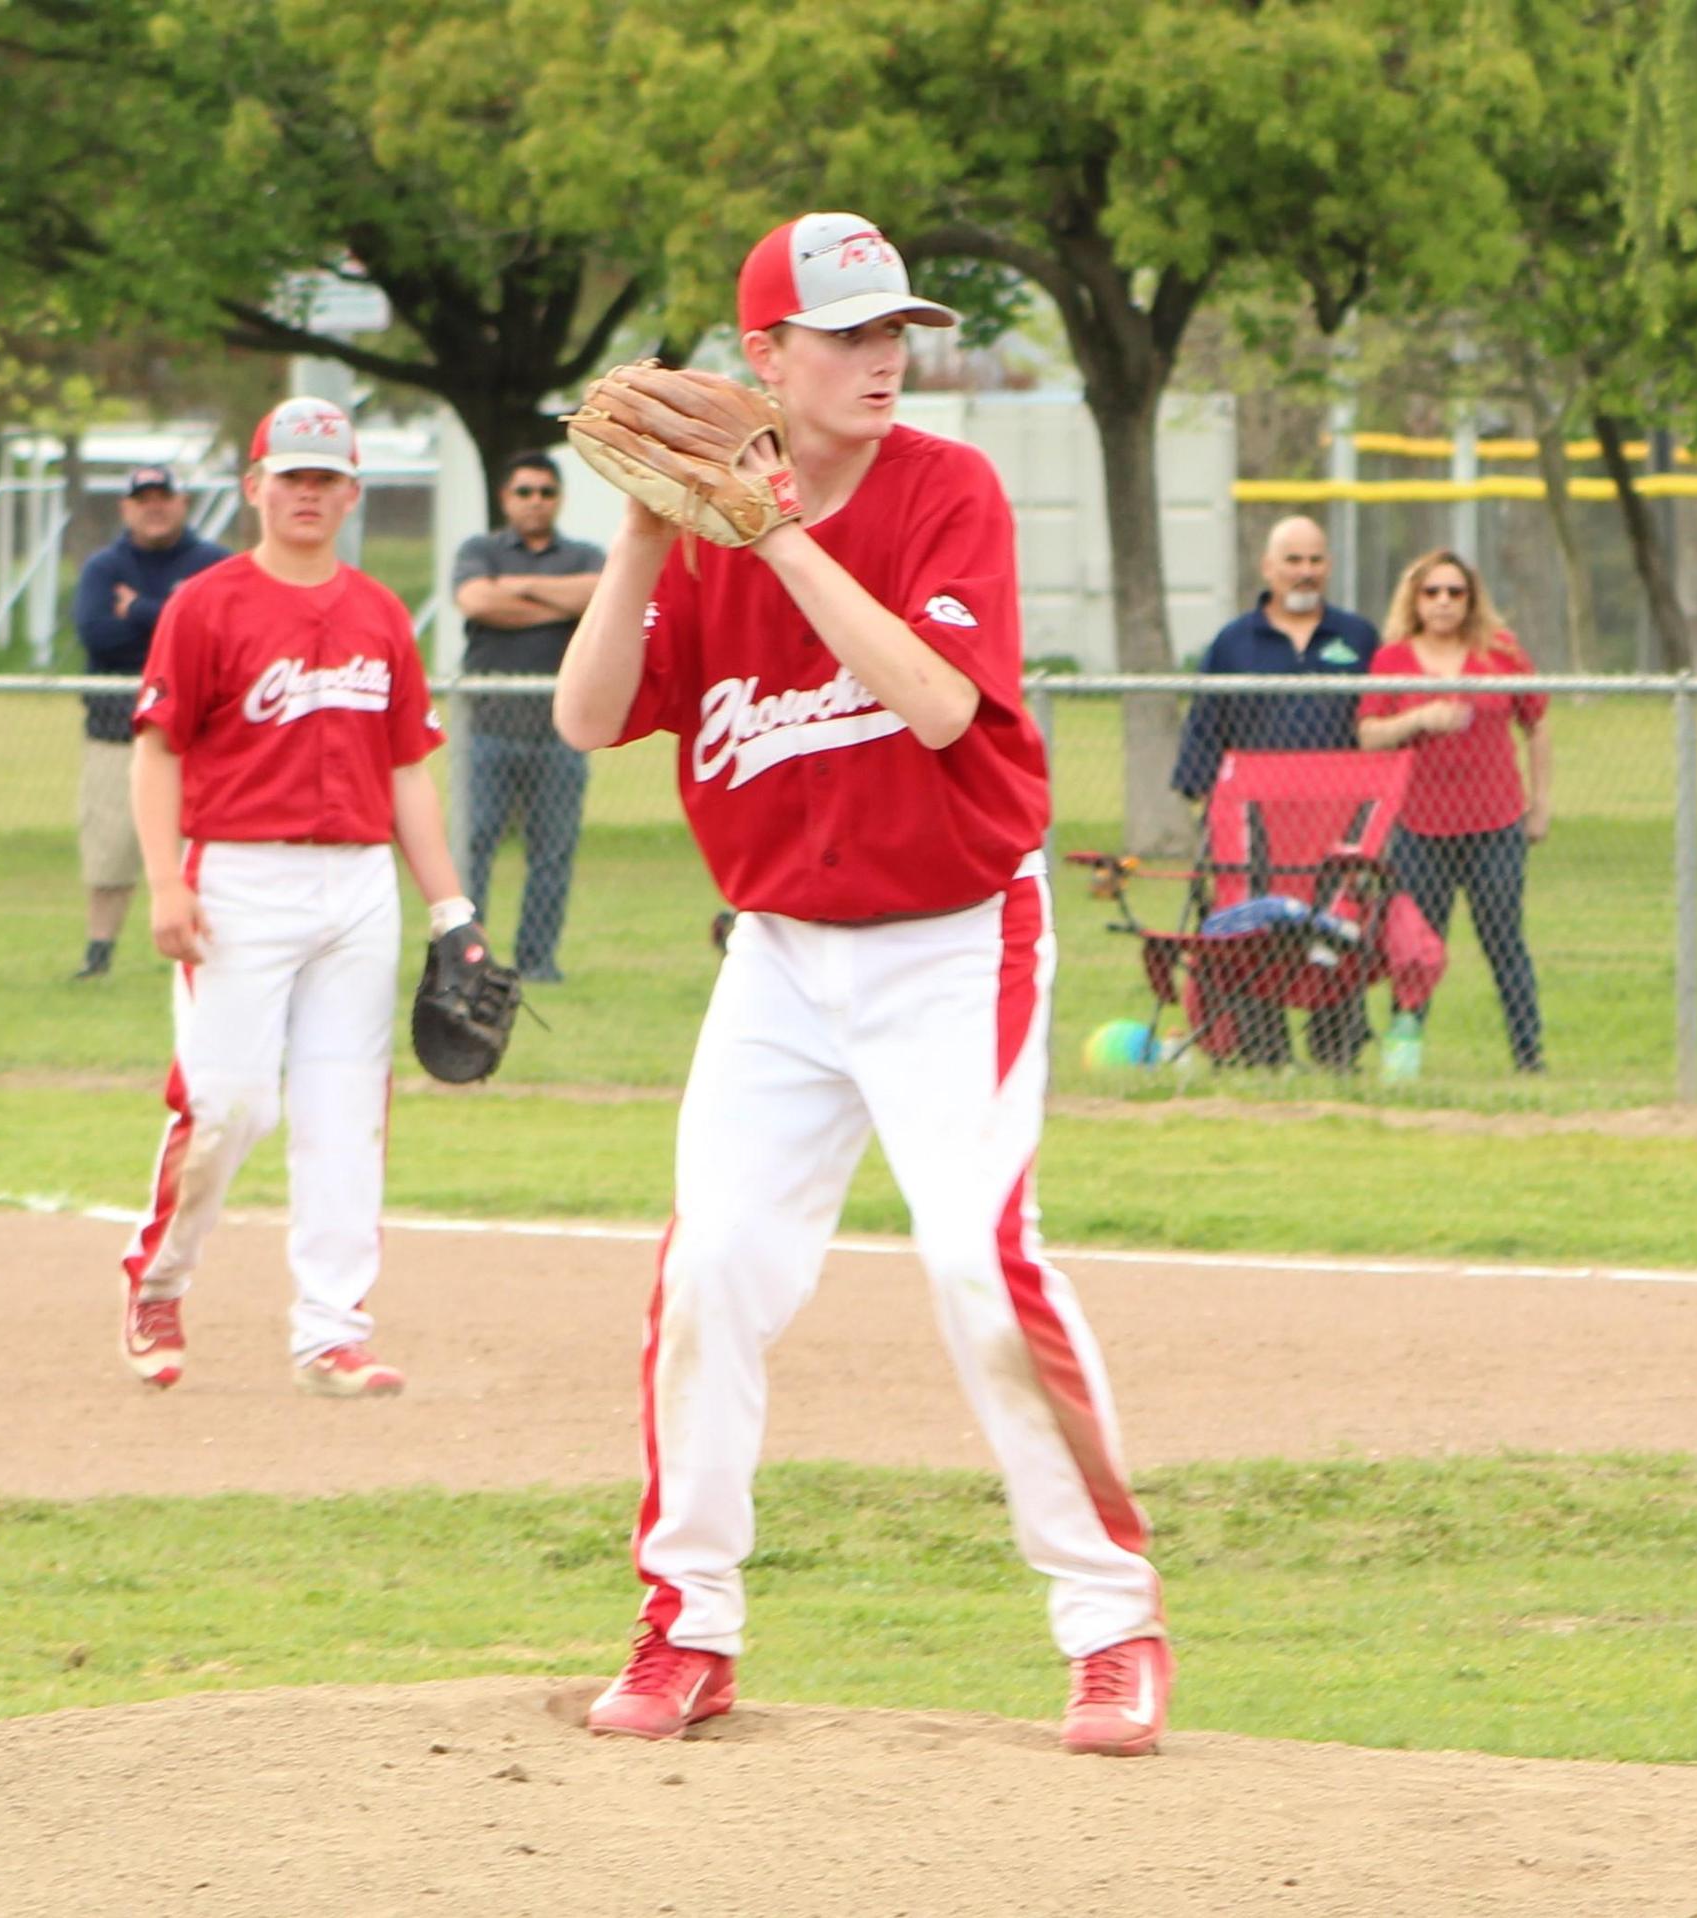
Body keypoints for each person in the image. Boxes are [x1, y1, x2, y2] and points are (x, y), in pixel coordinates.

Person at [554, 211, 1170, 1756]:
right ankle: (686, 1624)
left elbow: (942, 700)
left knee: (979, 1265)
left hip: (958, 939)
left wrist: (774, 536)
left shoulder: (945, 489)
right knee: (709, 1277)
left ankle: (1111, 1621)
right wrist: (645, 527)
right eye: (845, 334)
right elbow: (586, 717)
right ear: (763, 357)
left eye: (897, 328)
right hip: (778, 954)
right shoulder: (697, 535)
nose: (885, 354)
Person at [117, 396, 486, 1399]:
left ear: (353, 491)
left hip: (359, 882)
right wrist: (163, 881)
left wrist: (451, 908)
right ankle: (158, 1279)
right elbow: (156, 752)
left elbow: (407, 769)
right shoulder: (206, 604)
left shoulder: (378, 615)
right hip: (237, 875)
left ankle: (332, 1331)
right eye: (292, 476)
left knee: (343, 1110)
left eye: (327, 477)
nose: (309, 493)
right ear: (255, 488)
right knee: (228, 1105)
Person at [1170, 515, 1380, 1069]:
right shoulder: (1234, 642)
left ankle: (1338, 1050)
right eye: (1292, 560)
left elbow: (1379, 726)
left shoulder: (1356, 638)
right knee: (1256, 937)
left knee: (1335, 933)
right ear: (1268, 568)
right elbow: (1204, 734)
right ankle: (1263, 1053)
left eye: (1315, 560)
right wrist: (1206, 816)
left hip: (1338, 829)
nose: (1304, 572)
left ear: (1328, 566)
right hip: (1255, 831)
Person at [1357, 549, 1551, 1078]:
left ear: (1471, 599)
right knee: (1415, 948)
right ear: (1415, 599)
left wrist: (1541, 805)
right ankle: (1403, 1057)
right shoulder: (1392, 660)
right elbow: (1369, 735)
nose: (1443, 602)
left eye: (1455, 592)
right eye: (1432, 593)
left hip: (1495, 823)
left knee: (1504, 941)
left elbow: (1536, 726)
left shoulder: (1501, 653)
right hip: (1419, 827)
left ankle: (1529, 1057)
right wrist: (1421, 717)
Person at [68, 463, 227, 980]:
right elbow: (97, 636)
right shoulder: (102, 567)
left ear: (183, 503)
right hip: (117, 731)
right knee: (110, 847)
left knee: (205, 850)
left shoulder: (215, 564)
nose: (154, 506)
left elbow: (217, 636)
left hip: (204, 739)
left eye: (164, 496)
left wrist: (138, 612)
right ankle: (98, 956)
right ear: (126, 508)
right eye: (143, 499)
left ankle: (209, 950)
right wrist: (175, 613)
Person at [451, 453, 604, 983]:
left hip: (559, 731)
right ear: (505, 498)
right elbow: (474, 601)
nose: (535, 501)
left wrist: (515, 588)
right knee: (474, 846)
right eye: (524, 492)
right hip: (489, 728)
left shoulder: (585, 553)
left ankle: (538, 963)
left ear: (558, 498)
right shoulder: (479, 550)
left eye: (545, 491)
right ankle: (469, 957)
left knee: (553, 851)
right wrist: (563, 604)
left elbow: (600, 595)